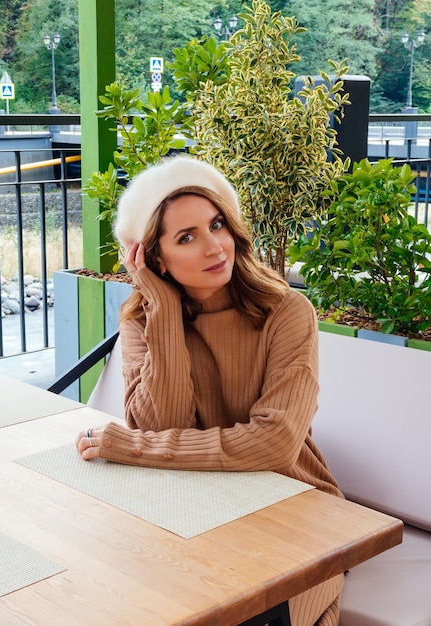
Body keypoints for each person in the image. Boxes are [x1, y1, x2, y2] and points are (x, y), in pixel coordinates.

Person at [76, 155, 344, 625]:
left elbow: (276, 445)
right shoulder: (143, 320)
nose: (215, 246)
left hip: (293, 504)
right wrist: (163, 314)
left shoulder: (287, 312)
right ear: (153, 258)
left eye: (217, 224)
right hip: (193, 505)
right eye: (187, 237)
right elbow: (162, 425)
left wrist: (137, 447)